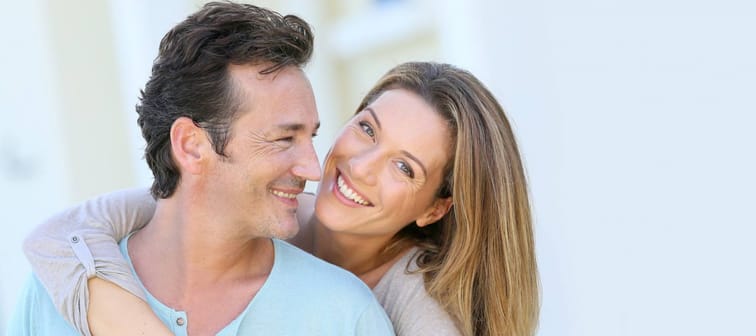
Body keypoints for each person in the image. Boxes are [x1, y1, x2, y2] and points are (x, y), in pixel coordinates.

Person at [23, 62, 540, 335]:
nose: (359, 167)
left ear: (435, 208)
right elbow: (59, 235)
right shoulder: (278, 208)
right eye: (366, 129)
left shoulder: (401, 309)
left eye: (405, 167)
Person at [7, 2, 395, 336]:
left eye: (310, 136)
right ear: (192, 146)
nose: (312, 167)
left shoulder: (345, 315)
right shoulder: (52, 297)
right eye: (283, 139)